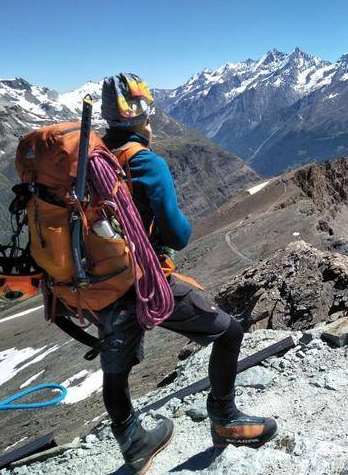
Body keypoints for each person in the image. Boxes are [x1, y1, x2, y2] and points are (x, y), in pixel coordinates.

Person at [79, 73, 277, 474]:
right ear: (144, 115)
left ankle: (133, 443)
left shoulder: (88, 157)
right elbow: (179, 234)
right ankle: (224, 418)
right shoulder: (145, 161)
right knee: (229, 332)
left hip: (101, 284)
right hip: (144, 282)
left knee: (115, 370)